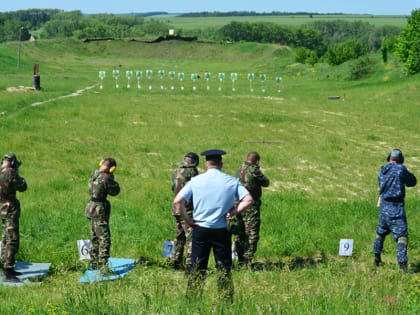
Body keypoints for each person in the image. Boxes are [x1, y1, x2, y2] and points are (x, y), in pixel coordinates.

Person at [173, 149, 253, 300]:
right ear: (221, 164)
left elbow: (177, 201)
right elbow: (248, 200)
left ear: (205, 164)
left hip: (200, 229)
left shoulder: (196, 181)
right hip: (221, 229)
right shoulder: (231, 181)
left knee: (197, 267)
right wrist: (234, 211)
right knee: (224, 267)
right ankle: (225, 299)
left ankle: (193, 299)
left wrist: (188, 220)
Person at [373, 149, 416, 272]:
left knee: (380, 233)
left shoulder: (382, 170)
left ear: (389, 158)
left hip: (383, 207)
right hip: (396, 207)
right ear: (400, 159)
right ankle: (403, 266)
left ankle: (376, 258)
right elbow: (412, 182)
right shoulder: (400, 169)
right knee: (402, 236)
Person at [234, 152, 270, 267]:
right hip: (251, 206)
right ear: (257, 161)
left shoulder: (238, 170)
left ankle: (239, 259)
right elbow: (266, 182)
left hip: (238, 206)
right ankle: (246, 261)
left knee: (240, 233)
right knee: (252, 234)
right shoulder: (254, 170)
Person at [85, 158, 120, 273]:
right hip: (99, 209)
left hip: (90, 207)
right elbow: (115, 191)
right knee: (104, 237)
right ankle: (104, 266)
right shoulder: (107, 177)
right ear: (112, 168)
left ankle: (93, 262)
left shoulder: (94, 174)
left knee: (94, 236)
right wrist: (112, 178)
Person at [0, 152, 27, 283]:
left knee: (5, 236)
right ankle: (8, 269)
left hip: (1, 208)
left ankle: (6, 265)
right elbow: (23, 187)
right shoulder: (11, 172)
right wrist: (18, 174)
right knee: (12, 239)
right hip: (10, 209)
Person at [171, 152, 199, 271]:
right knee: (191, 236)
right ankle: (189, 263)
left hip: (176, 208)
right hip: (186, 209)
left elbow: (173, 187)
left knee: (179, 236)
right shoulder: (193, 172)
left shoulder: (176, 171)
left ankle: (176, 261)